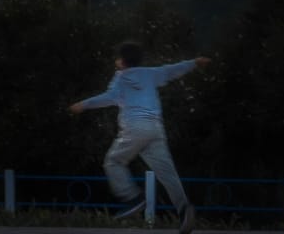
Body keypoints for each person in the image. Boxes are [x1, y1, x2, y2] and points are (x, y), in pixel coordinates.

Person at [69, 41, 210, 231]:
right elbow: (172, 70)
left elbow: (108, 97)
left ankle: (133, 198)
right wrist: (194, 62)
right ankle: (184, 209)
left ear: (122, 61)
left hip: (135, 128)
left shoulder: (120, 78)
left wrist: (83, 104)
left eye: (117, 59)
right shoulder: (150, 73)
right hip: (155, 129)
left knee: (113, 161)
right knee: (167, 174)